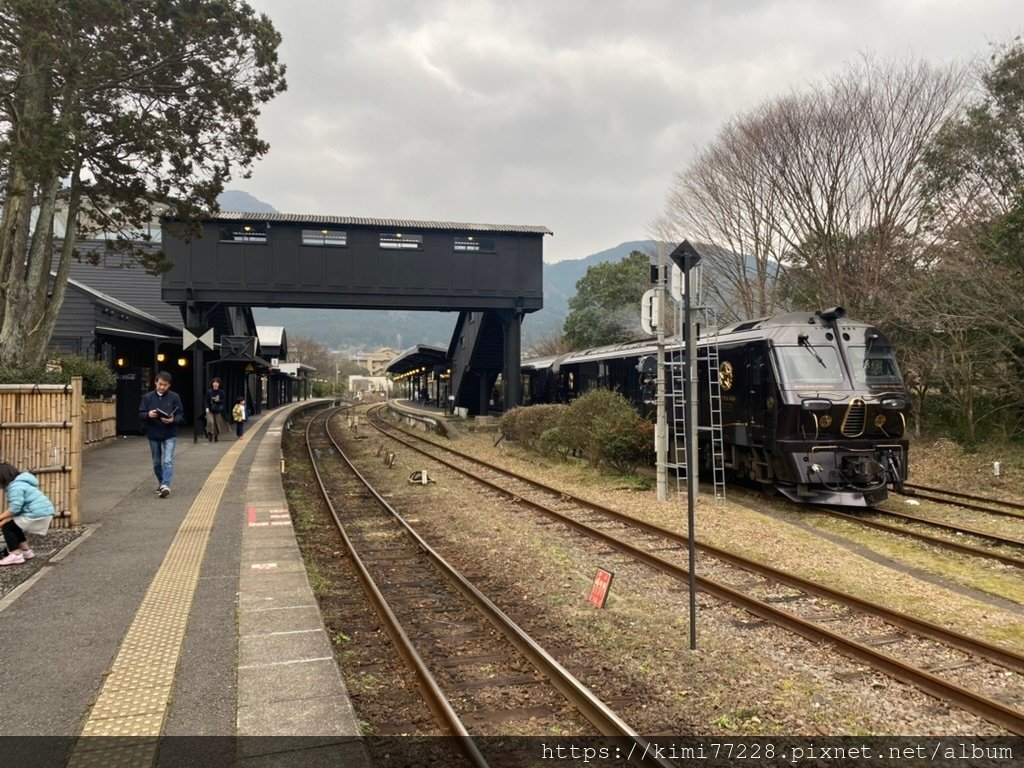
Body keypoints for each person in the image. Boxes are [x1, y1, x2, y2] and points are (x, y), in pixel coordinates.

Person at [0, 462, 55, 566]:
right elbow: (18, 509)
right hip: (42, 512)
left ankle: (15, 555)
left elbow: (15, 508)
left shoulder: (15, 487)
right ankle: (26, 551)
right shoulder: (20, 483)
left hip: (37, 513)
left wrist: (2, 517)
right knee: (14, 526)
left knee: (8, 527)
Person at [139, 370, 183, 498]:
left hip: (170, 432)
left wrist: (172, 420)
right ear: (155, 383)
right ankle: (162, 483)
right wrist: (148, 414)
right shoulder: (147, 397)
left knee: (168, 460)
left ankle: (165, 485)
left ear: (169, 385)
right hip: (153, 433)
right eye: (160, 384)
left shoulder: (175, 397)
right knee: (156, 462)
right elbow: (141, 413)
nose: (162, 387)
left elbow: (180, 414)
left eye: (165, 385)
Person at [203, 377, 227, 442]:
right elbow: (206, 400)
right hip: (210, 409)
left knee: (216, 423)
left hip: (217, 410)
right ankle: (210, 434)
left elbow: (224, 400)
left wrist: (217, 400)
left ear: (219, 384)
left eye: (217, 382)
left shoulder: (221, 392)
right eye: (214, 382)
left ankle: (216, 436)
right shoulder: (209, 392)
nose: (215, 384)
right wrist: (206, 408)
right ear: (212, 383)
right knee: (210, 422)